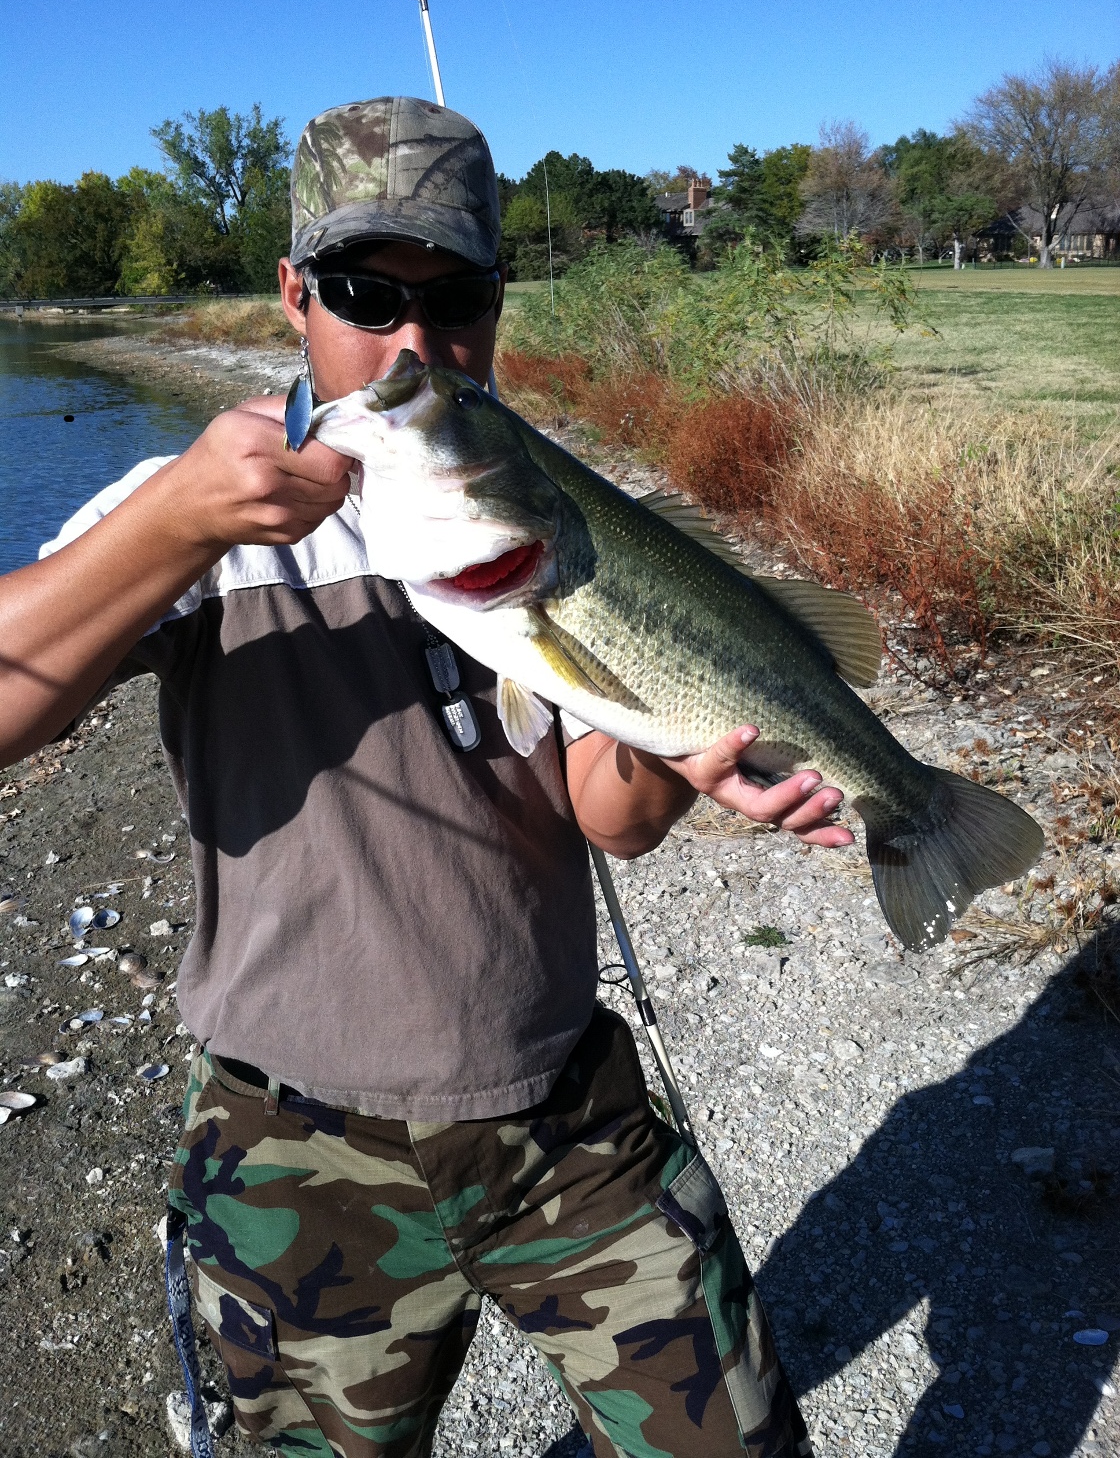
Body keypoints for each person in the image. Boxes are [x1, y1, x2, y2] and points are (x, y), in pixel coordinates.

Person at [0, 98, 852, 1458]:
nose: (412, 339)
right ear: (294, 295)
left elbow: (611, 822)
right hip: (294, 1147)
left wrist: (690, 751)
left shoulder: (543, 504)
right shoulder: (194, 516)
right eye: (362, 290)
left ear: (498, 304)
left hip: (564, 1113)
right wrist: (172, 527)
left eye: (453, 296)